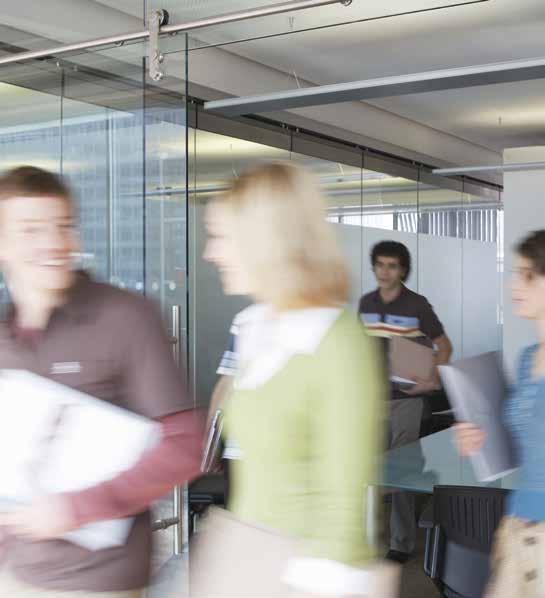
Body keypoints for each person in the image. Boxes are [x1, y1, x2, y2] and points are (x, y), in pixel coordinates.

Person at [0, 166, 202, 597]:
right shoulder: (3, 335)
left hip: (96, 581)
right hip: (12, 571)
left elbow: (186, 446)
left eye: (64, 226)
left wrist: (77, 507)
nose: (54, 243)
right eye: (31, 230)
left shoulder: (127, 317)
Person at [197, 162, 387, 596]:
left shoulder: (335, 342)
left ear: (266, 240)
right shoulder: (254, 327)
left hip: (306, 577)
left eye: (222, 237)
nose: (211, 253)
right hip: (253, 561)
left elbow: (342, 504)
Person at [456, 230, 545, 597]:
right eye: (515, 271)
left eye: (528, 274)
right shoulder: (527, 360)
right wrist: (481, 439)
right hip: (515, 529)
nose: (514, 283)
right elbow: (527, 446)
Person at [359, 241, 453, 564]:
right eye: (381, 265)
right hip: (372, 399)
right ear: (374, 268)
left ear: (403, 270)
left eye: (393, 266)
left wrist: (431, 379)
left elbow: (443, 345)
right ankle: (367, 535)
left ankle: (400, 542)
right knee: (371, 469)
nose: (386, 271)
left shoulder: (417, 305)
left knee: (398, 472)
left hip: (406, 401)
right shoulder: (366, 304)